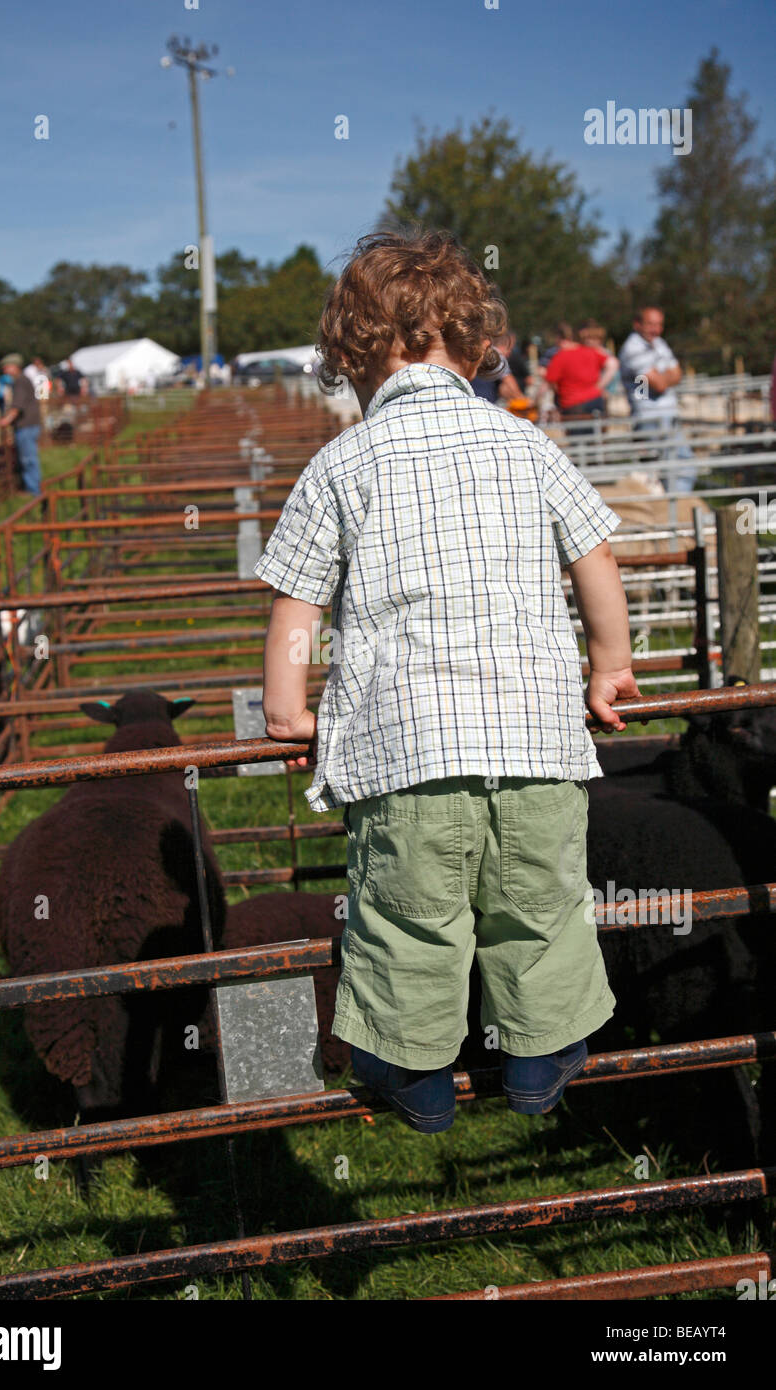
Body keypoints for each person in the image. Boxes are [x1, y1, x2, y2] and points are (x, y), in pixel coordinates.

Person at [253, 229, 639, 1131]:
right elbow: (595, 558)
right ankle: (540, 1063)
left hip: (407, 752)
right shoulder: (526, 443)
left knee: (408, 918)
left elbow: (296, 611)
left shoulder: (339, 466)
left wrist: (286, 709)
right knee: (540, 908)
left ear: (354, 358)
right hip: (539, 742)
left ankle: (415, 1077)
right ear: (473, 345)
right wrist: (610, 668)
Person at [618, 306, 697, 492]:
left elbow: (678, 374)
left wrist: (663, 376)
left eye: (659, 324)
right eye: (650, 324)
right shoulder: (632, 348)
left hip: (667, 418)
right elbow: (659, 383)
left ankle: (672, 513)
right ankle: (672, 514)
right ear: (637, 324)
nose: (656, 329)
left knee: (678, 471)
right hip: (649, 420)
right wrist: (665, 375)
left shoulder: (659, 343)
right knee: (665, 474)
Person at [544, 322, 618, 429]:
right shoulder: (591, 352)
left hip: (573, 405)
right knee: (597, 438)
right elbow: (613, 363)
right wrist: (599, 387)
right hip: (596, 399)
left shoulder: (560, 356)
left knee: (579, 441)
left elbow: (550, 381)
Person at [0, 353, 42, 495]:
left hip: (26, 426)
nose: (4, 370)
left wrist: (6, 420)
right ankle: (33, 488)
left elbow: (17, 406)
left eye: (6, 367)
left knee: (28, 459)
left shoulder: (20, 381)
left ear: (14, 367)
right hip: (29, 425)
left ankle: (34, 491)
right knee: (28, 458)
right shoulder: (22, 380)